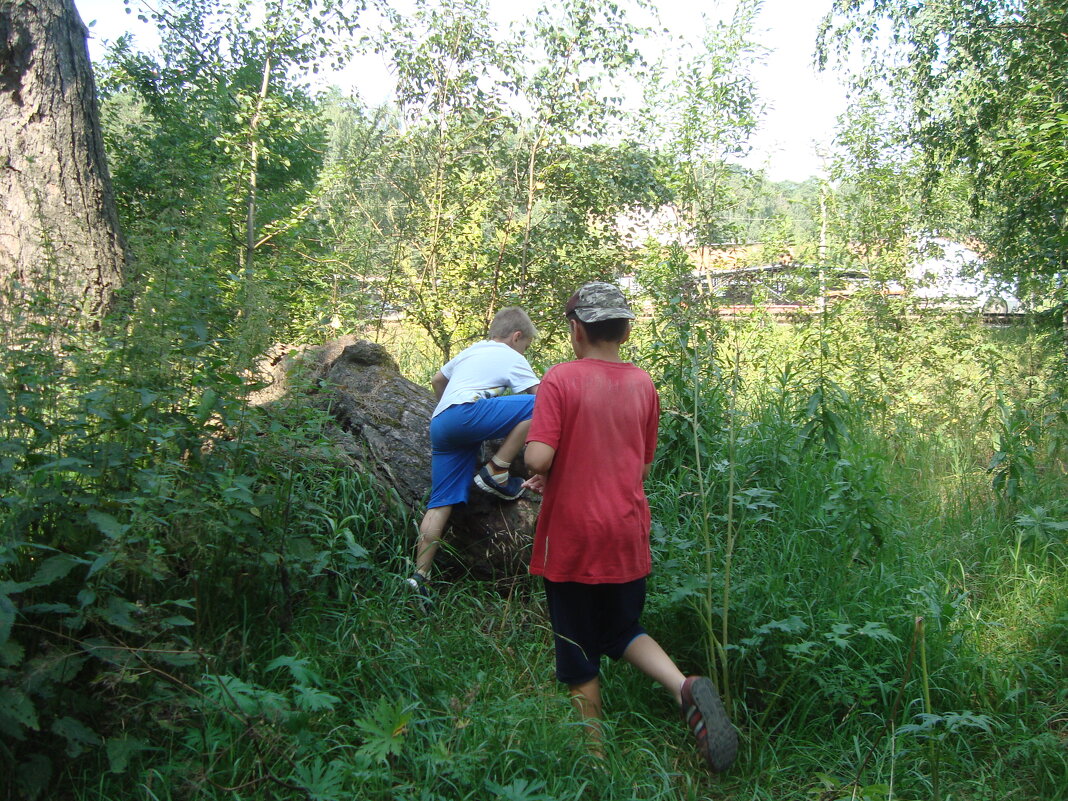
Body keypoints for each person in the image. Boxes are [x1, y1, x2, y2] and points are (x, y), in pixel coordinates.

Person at [522, 282, 738, 772]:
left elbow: (539, 454)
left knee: (578, 646)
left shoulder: (560, 379)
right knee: (621, 628)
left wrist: (542, 465)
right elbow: (637, 467)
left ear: (576, 330)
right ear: (625, 330)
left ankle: (594, 758)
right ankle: (683, 685)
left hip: (575, 537)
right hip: (625, 531)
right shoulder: (643, 384)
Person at [408, 307, 541, 606]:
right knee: (542, 406)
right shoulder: (511, 355)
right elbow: (540, 395)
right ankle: (498, 469)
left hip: (441, 423)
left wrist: (453, 412)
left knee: (440, 503)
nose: (524, 352)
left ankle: (420, 577)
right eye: (526, 346)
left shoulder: (472, 350)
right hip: (466, 414)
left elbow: (437, 380)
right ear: (517, 336)